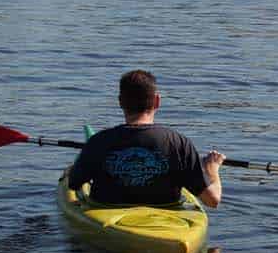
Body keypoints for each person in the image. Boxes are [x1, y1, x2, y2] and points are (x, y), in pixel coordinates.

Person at [66, 70, 225, 207]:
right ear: (157, 101)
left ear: (120, 102)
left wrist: (83, 159)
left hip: (107, 216)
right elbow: (212, 200)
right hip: (165, 219)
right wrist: (212, 169)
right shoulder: (178, 143)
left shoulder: (99, 141)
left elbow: (73, 184)